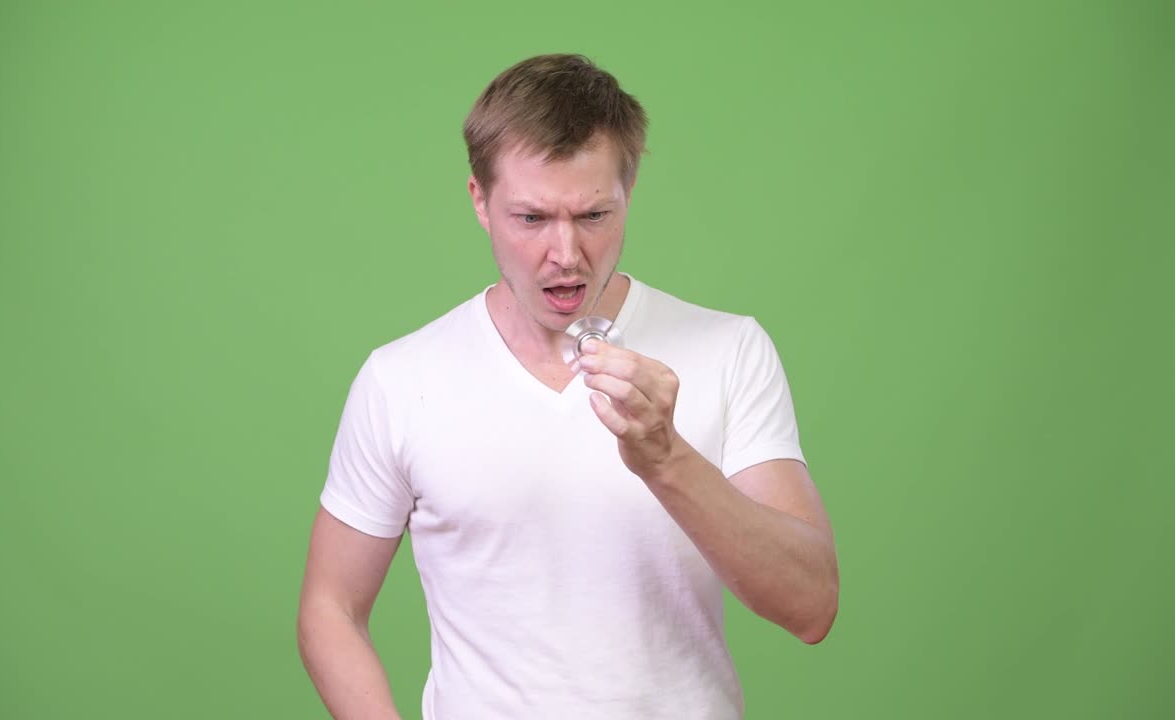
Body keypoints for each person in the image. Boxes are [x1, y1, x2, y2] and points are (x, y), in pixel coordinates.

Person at [296, 53, 839, 720]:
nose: (566, 254)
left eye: (592, 216)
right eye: (531, 218)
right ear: (480, 202)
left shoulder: (728, 351)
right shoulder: (400, 379)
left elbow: (810, 605)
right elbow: (331, 607)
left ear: (628, 195)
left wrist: (667, 459)